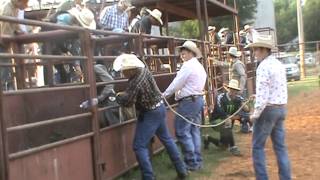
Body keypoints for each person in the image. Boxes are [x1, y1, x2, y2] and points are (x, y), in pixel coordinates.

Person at [114, 54, 188, 180]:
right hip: (159, 108)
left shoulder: (135, 81)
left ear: (130, 69)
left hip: (150, 113)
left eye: (124, 71)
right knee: (167, 140)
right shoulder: (144, 70)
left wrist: (117, 96)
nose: (122, 73)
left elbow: (128, 102)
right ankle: (181, 170)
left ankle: (148, 177)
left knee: (139, 146)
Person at [246, 35, 291, 180]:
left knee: (257, 147)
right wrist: (259, 97)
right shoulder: (278, 64)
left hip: (268, 110)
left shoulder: (263, 67)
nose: (254, 53)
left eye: (255, 50)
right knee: (280, 147)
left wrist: (255, 114)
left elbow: (264, 94)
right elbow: (276, 88)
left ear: (263, 50)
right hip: (280, 108)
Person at [163, 41, 206, 171]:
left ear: (192, 53)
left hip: (189, 101)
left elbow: (177, 83)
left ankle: (191, 162)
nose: (182, 53)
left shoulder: (187, 66)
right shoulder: (199, 66)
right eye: (182, 51)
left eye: (185, 51)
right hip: (197, 99)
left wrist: (165, 94)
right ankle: (197, 160)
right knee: (194, 131)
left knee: (182, 131)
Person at [204, 79, 250, 156]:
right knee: (227, 124)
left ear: (237, 91)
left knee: (223, 146)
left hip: (227, 122)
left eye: (235, 90)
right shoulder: (220, 97)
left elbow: (247, 110)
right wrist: (228, 117)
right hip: (216, 121)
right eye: (232, 89)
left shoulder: (239, 99)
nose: (233, 91)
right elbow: (219, 110)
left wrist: (244, 105)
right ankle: (233, 147)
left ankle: (207, 138)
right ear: (229, 89)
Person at [0, 0, 29, 90]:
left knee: (6, 67)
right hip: (2, 44)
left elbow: (15, 24)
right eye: (25, 3)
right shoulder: (7, 11)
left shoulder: (14, 8)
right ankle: (5, 90)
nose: (26, 6)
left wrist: (20, 31)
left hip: (5, 43)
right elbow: (4, 32)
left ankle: (6, 88)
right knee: (4, 67)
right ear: (18, 1)